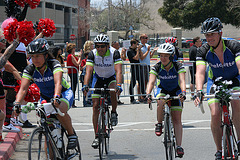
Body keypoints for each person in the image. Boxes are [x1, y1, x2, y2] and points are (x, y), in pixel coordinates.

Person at [14, 38, 78, 149]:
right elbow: (23, 89)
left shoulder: (54, 64)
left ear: (46, 55)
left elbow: (58, 83)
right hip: (45, 97)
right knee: (46, 126)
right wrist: (17, 103)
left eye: (38, 56)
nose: (35, 59)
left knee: (58, 110)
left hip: (63, 93)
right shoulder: (30, 69)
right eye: (32, 56)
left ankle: (72, 135)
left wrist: (57, 97)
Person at [194, 17, 240, 160]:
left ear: (220, 33)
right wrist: (199, 90)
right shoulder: (203, 50)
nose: (209, 38)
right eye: (206, 35)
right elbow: (200, 72)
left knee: (237, 104)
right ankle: (219, 149)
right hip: (215, 82)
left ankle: (239, 140)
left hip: (234, 80)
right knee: (215, 113)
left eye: (212, 34)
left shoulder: (234, 45)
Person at [146, 43, 186, 158]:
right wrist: (148, 94)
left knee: (177, 119)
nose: (162, 58)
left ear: (171, 56)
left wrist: (183, 92)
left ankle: (179, 146)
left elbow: (182, 81)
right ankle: (159, 124)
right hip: (162, 89)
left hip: (176, 91)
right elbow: (151, 82)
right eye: (161, 56)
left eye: (166, 56)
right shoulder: (157, 67)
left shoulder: (178, 66)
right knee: (160, 100)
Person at [82, 34, 122, 148]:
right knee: (95, 107)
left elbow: (118, 71)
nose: (99, 49)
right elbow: (89, 71)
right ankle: (96, 136)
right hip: (98, 78)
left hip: (111, 77)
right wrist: (85, 85)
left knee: (113, 90)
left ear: (107, 46)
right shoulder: (92, 54)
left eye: (102, 46)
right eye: (97, 46)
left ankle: (113, 112)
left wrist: (119, 85)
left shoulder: (114, 53)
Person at [139, 34, 156, 102]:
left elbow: (149, 57)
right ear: (141, 39)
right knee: (142, 82)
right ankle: (141, 96)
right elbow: (142, 57)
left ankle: (145, 94)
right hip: (142, 65)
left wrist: (153, 51)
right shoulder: (140, 47)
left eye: (146, 38)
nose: (146, 39)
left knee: (146, 81)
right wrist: (147, 50)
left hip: (147, 65)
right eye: (145, 38)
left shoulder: (147, 46)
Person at [127, 39, 145, 104]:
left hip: (138, 68)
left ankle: (144, 97)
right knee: (133, 84)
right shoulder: (129, 51)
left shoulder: (135, 50)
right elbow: (136, 58)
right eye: (137, 44)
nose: (137, 46)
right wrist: (137, 51)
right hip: (134, 69)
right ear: (133, 44)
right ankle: (132, 99)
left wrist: (139, 50)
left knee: (142, 83)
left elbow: (141, 57)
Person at [66, 43, 82, 108]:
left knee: (74, 87)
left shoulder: (71, 55)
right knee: (73, 88)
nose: (74, 49)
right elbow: (77, 63)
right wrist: (80, 57)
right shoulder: (71, 56)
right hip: (73, 72)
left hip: (73, 72)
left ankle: (72, 102)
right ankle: (72, 102)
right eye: (74, 48)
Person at [80, 41, 94, 107]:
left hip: (90, 71)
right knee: (86, 86)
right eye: (92, 44)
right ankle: (86, 101)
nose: (93, 46)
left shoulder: (93, 52)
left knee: (89, 86)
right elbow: (82, 65)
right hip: (86, 72)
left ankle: (88, 101)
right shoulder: (87, 53)